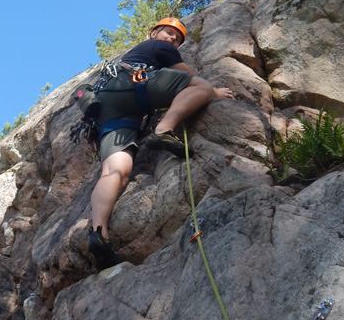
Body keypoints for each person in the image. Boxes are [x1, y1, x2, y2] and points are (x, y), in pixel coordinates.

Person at [87, 17, 234, 269]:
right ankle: (165, 129)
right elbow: (188, 76)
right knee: (201, 86)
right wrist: (213, 91)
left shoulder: (137, 53)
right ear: (153, 33)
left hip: (109, 107)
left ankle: (98, 233)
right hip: (134, 84)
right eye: (168, 33)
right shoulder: (157, 46)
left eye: (176, 39)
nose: (172, 39)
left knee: (115, 171)